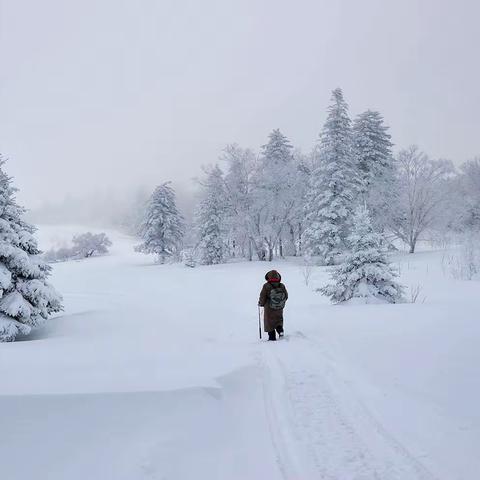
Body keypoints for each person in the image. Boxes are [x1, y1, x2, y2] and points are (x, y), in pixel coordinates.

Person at [258, 270, 288, 341]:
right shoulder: (281, 285)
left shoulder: (266, 286)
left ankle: (272, 338)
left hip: (269, 308)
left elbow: (262, 297)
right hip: (279, 308)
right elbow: (286, 296)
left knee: (269, 323)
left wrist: (261, 303)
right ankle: (280, 331)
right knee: (278, 320)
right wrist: (280, 302)